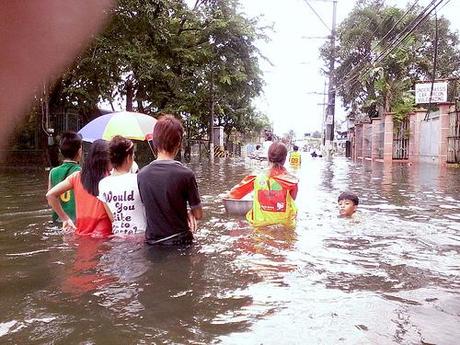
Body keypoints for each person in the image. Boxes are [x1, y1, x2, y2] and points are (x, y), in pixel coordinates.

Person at [137, 115, 203, 246]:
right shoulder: (186, 174)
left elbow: (149, 207)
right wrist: (189, 213)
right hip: (180, 242)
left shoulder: (141, 175)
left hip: (152, 244)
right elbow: (199, 214)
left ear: (155, 142)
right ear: (178, 143)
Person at [46, 139, 112, 237]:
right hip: (104, 235)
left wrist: (65, 219)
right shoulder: (110, 179)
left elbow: (50, 195)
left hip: (81, 235)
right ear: (107, 159)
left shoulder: (77, 176)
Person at [229, 141, 299, 227]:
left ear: (268, 157)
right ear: (284, 159)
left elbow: (234, 195)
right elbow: (292, 199)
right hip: (284, 224)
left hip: (259, 224)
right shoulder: (292, 181)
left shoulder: (255, 177)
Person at [98, 136, 146, 235]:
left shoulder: (103, 184)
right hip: (140, 237)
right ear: (129, 158)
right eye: (133, 155)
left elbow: (112, 218)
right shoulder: (138, 179)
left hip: (118, 236)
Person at [48, 131, 82, 223]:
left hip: (58, 219)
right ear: (79, 151)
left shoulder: (53, 172)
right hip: (75, 221)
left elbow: (50, 200)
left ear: (60, 151)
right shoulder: (81, 172)